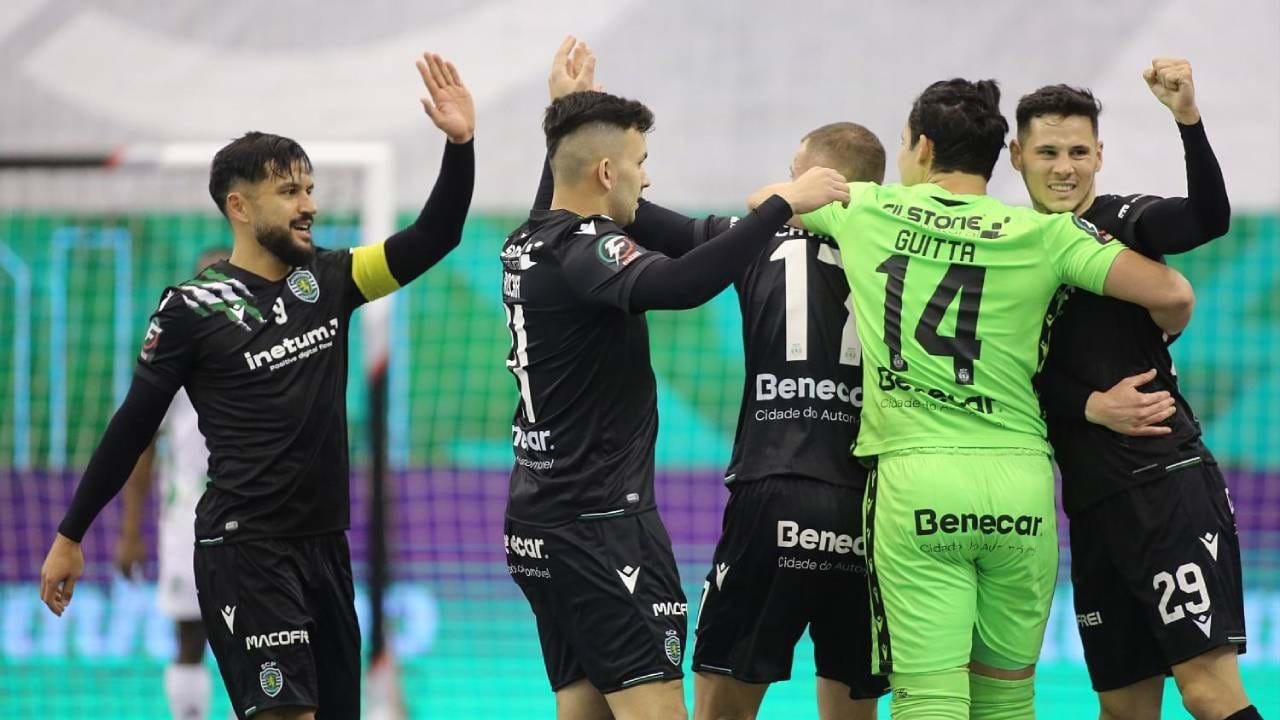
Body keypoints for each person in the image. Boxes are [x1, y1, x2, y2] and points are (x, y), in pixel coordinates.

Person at [39, 52, 476, 720]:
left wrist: (460, 146)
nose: (310, 205)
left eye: (308, 188)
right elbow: (132, 425)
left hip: (326, 548)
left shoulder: (329, 279)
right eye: (291, 192)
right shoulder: (190, 307)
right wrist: (72, 535)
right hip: (246, 550)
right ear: (240, 207)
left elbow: (436, 236)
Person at [749, 77, 1195, 720]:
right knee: (1007, 700)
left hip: (918, 478)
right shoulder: (1047, 234)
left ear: (923, 147)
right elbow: (1173, 293)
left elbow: (767, 201)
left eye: (904, 143)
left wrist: (812, 183)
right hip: (1018, 485)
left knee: (929, 700)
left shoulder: (869, 208)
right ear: (998, 156)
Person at [502, 37, 850, 720]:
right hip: (604, 525)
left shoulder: (528, 236)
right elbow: (682, 281)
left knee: (584, 709)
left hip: (536, 520)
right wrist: (782, 204)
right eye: (639, 164)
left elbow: (569, 183)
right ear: (607, 171)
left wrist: (567, 110)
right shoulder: (585, 247)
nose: (647, 179)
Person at [1011, 59, 1260, 720]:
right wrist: (1088, 405)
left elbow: (1208, 219)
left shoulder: (1123, 222)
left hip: (1163, 482)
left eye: (1078, 152)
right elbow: (1014, 377)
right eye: (1048, 152)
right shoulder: (1009, 249)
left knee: (1207, 692)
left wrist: (1187, 120)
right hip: (1091, 505)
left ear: (1099, 156)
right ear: (1015, 156)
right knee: (1123, 708)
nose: (1065, 167)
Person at [114, 247, 230, 720]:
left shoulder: (270, 352)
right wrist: (128, 532)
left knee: (266, 640)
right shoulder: (171, 359)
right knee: (190, 636)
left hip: (259, 515)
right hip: (190, 519)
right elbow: (139, 446)